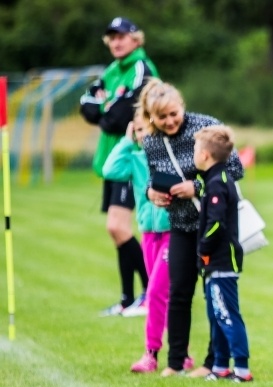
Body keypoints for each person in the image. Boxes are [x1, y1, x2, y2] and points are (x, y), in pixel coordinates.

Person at [139, 79, 244, 377]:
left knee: (215, 295)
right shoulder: (152, 142)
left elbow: (235, 168)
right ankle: (175, 362)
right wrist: (152, 193)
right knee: (179, 291)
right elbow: (151, 178)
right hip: (181, 225)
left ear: (182, 106)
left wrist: (195, 186)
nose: (170, 121)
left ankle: (213, 362)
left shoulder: (206, 127)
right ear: (151, 118)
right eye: (162, 117)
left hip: (213, 226)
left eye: (174, 113)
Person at [79, 17, 158, 317]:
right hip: (113, 160)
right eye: (112, 37)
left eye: (122, 36)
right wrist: (107, 108)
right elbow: (87, 104)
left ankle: (151, 294)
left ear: (136, 39)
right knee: (116, 230)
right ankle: (128, 299)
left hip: (133, 158)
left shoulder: (141, 69)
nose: (116, 41)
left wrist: (105, 108)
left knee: (119, 226)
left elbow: (120, 116)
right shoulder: (112, 72)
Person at [102, 109, 172, 373]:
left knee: (157, 292)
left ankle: (154, 354)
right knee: (161, 294)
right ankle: (173, 354)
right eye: (138, 130)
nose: (143, 135)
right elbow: (109, 169)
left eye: (146, 129)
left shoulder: (167, 155)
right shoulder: (134, 158)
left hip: (172, 230)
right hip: (148, 232)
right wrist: (126, 140)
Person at [192, 126, 252, 383]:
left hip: (220, 261)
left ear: (205, 155)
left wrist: (202, 249)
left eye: (195, 150)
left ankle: (241, 368)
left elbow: (216, 224)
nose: (193, 155)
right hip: (214, 263)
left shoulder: (217, 184)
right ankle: (219, 365)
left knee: (227, 314)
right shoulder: (215, 180)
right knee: (216, 315)